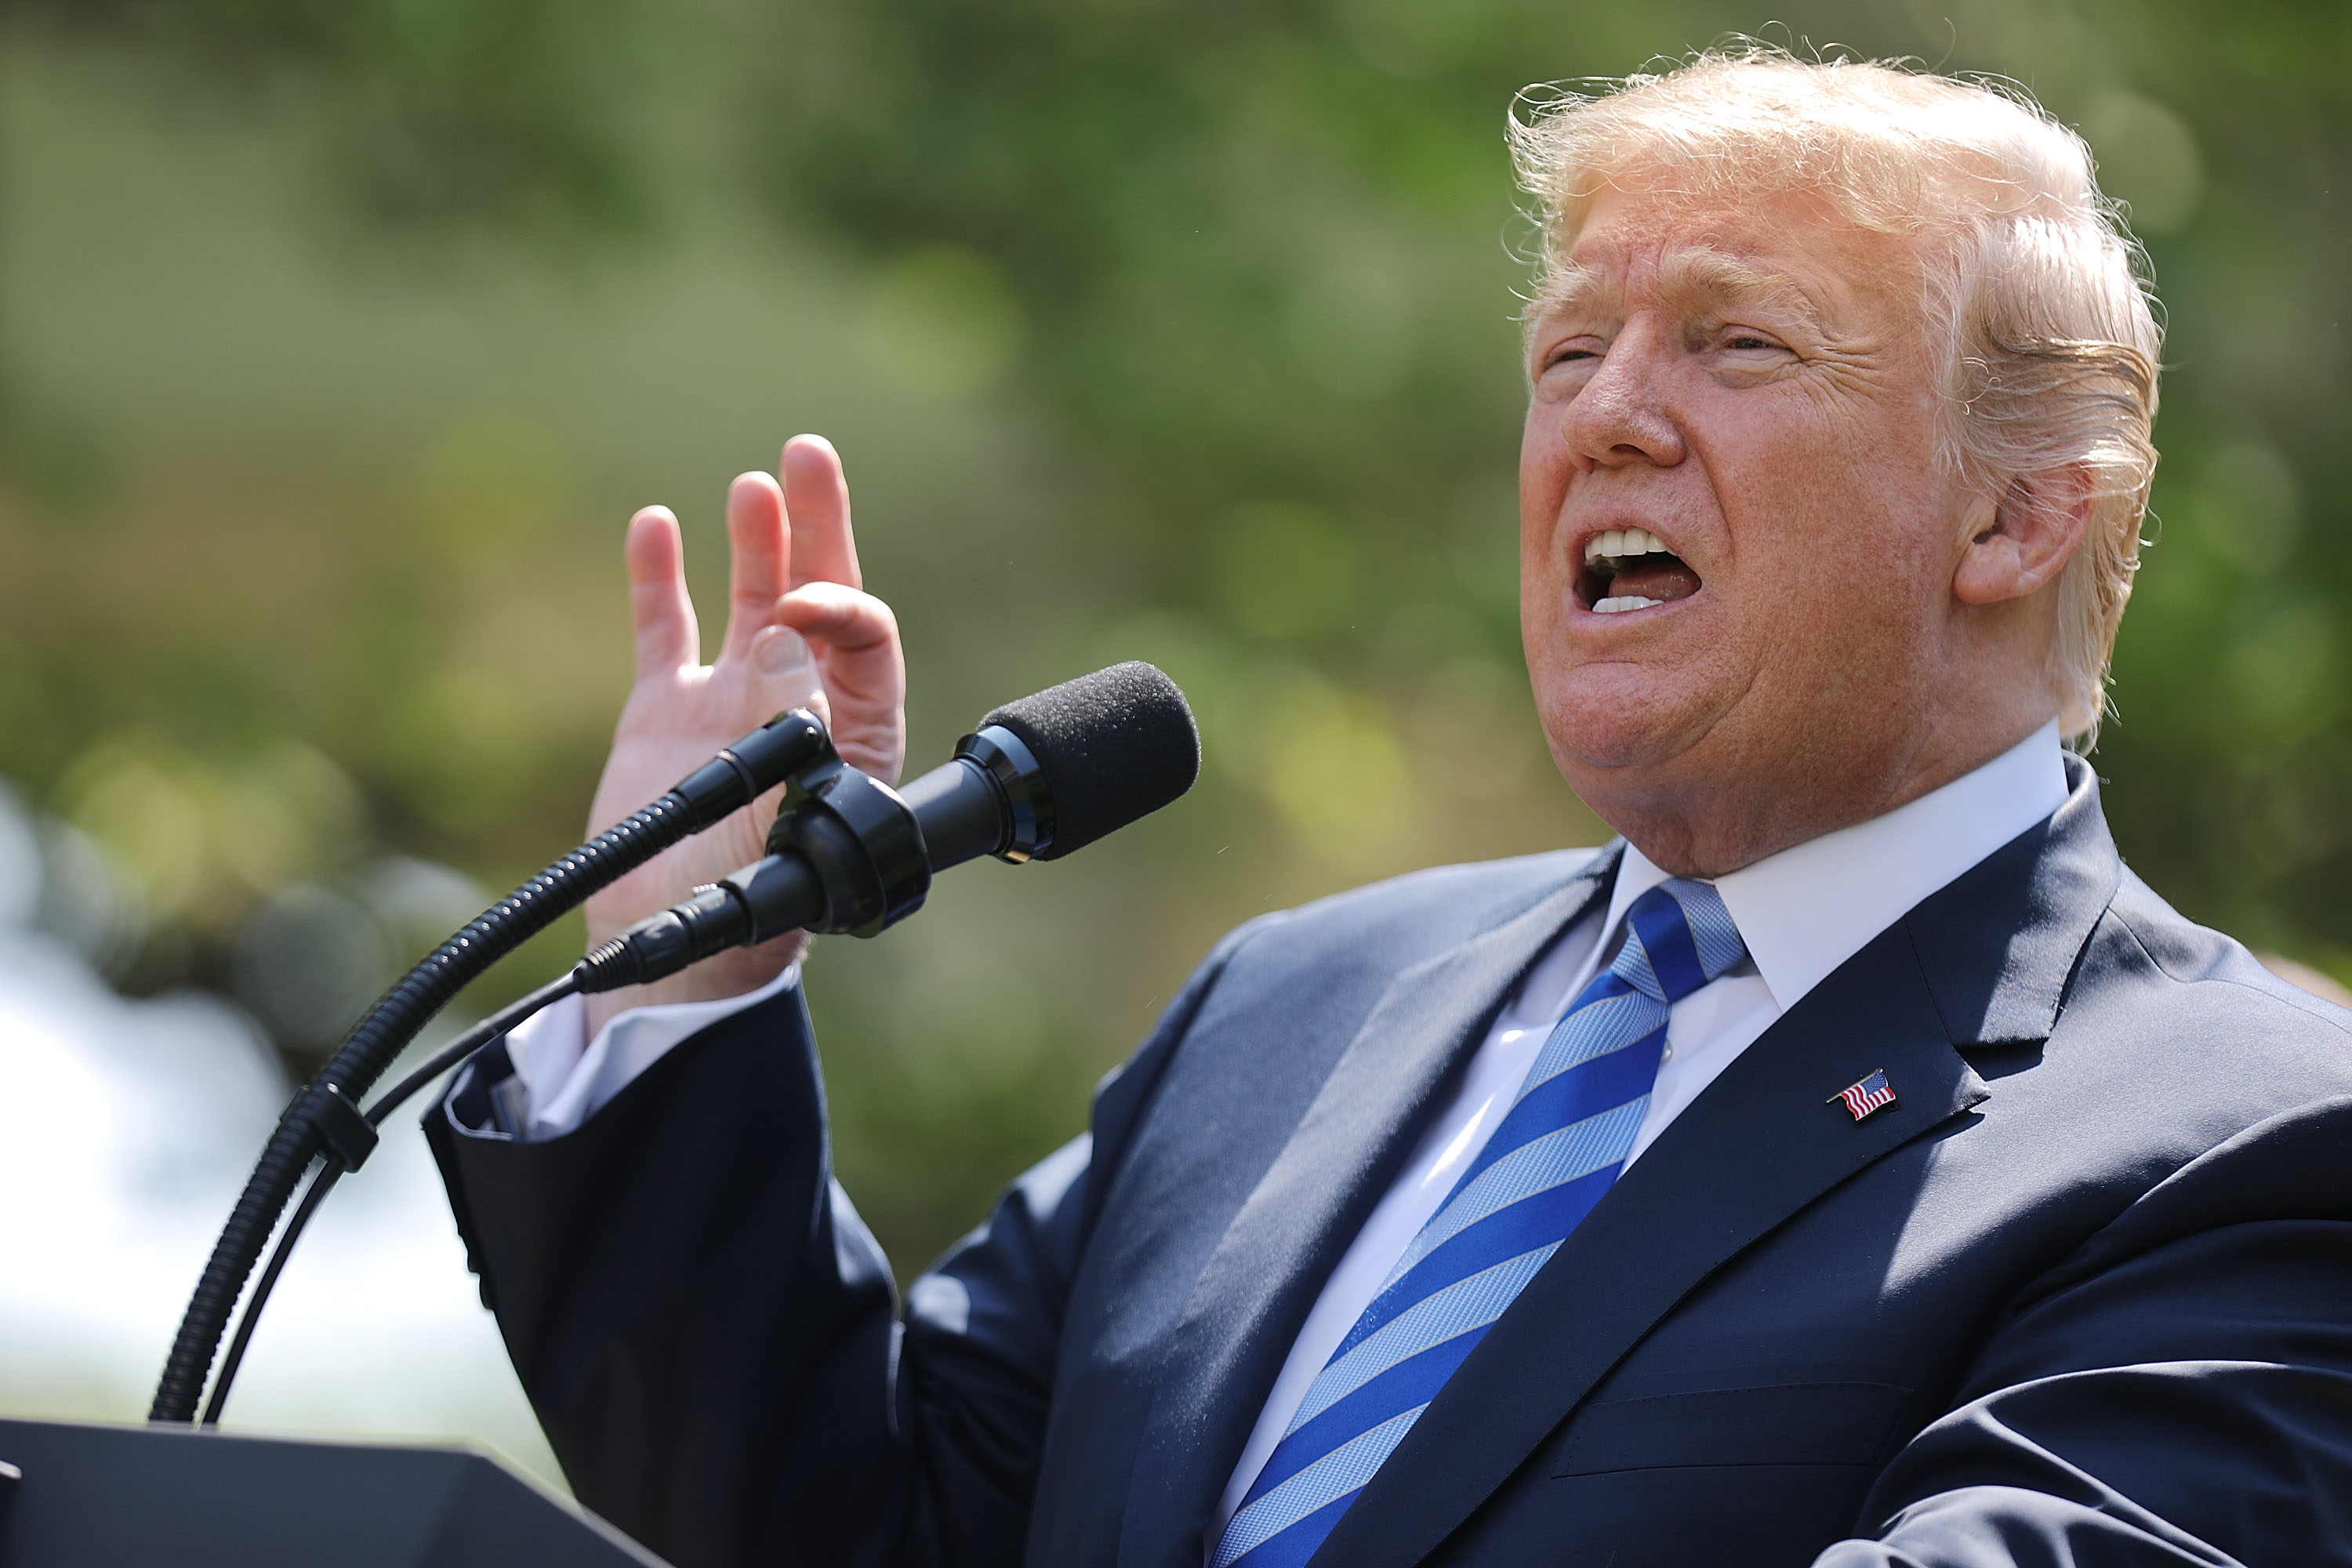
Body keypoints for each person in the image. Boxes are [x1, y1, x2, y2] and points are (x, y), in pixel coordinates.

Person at [427, 51, 2352, 1568]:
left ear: (2023, 515)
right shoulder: (1292, 1008)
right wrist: (681, 989)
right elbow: (838, 1526)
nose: (1608, 415)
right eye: (1570, 351)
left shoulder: (2242, 1142)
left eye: (1738, 342)